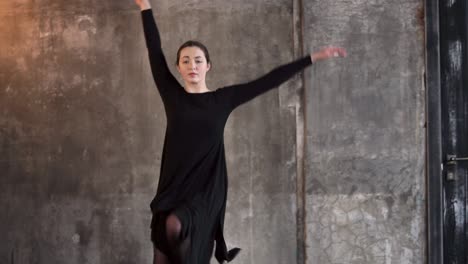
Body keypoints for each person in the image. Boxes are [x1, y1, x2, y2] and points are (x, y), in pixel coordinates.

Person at [134, 0, 347, 263]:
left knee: (174, 226)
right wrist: (145, 6)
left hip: (206, 187)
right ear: (178, 68)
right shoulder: (172, 95)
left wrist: (313, 58)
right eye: (186, 61)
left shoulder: (223, 99)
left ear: (208, 66)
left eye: (198, 60)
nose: (192, 66)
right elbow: (155, 52)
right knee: (162, 251)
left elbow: (269, 80)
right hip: (173, 185)